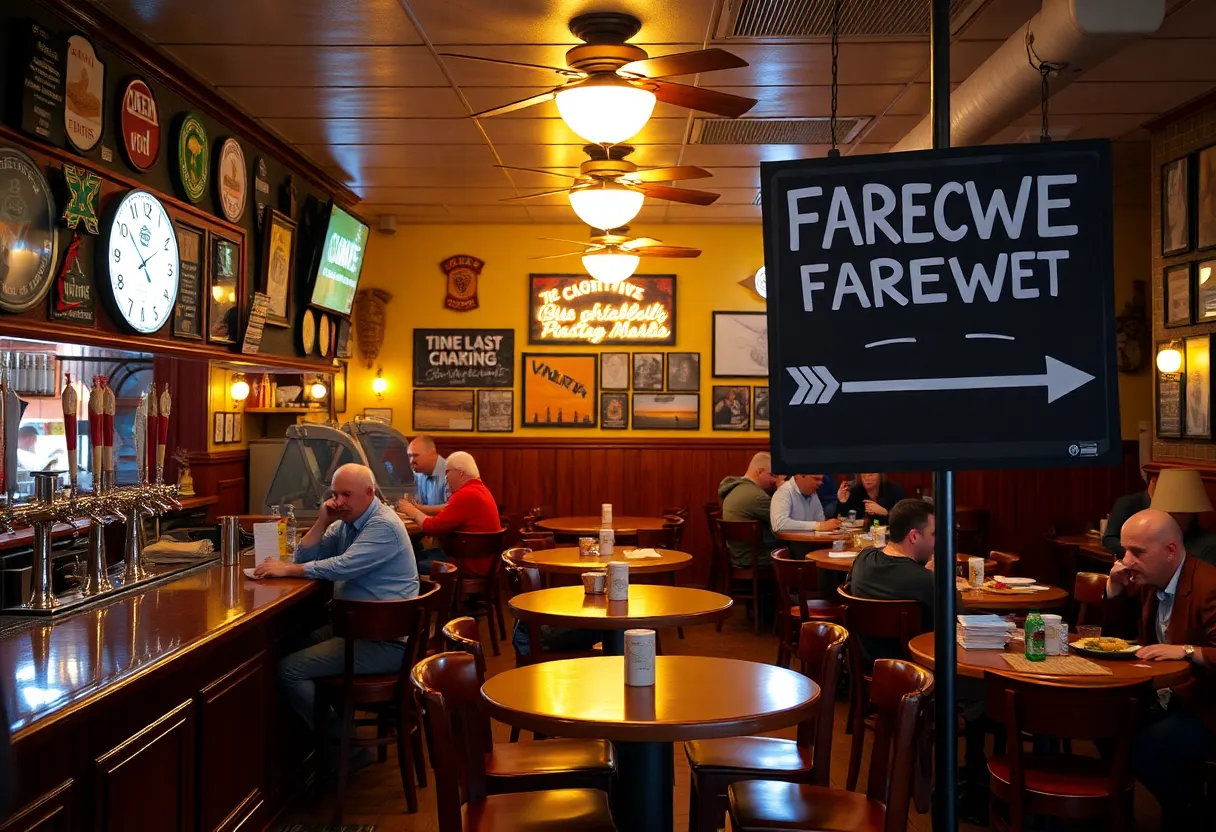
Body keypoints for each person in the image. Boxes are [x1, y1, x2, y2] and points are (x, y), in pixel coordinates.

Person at [255, 463, 419, 735]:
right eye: (334, 494)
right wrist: (322, 522)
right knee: (289, 646)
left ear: (369, 493)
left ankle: (343, 745)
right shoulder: (347, 523)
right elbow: (305, 558)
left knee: (290, 669)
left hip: (386, 641)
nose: (338, 502)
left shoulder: (383, 525)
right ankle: (310, 748)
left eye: (346, 495)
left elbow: (342, 566)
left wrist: (288, 570)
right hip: (358, 629)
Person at [1107, 509, 1216, 830]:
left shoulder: (1208, 586)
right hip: (1162, 697)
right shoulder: (1145, 578)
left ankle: (1191, 817)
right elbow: (1116, 643)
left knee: (1149, 748)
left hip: (1204, 706)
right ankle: (1117, 818)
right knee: (1102, 725)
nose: (1126, 560)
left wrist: (1187, 651)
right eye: (1124, 551)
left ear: (1170, 550)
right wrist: (1113, 592)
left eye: (1137, 552)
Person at [846, 498, 936, 660]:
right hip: (915, 669)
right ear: (914, 536)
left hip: (866, 662)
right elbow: (960, 618)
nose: (936, 541)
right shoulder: (924, 581)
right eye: (933, 534)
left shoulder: (863, 558)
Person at [397, 451, 500, 572]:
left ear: (460, 473)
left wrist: (410, 510)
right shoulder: (479, 490)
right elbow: (447, 512)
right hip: (482, 562)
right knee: (415, 556)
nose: (445, 477)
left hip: (467, 566)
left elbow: (432, 526)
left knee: (407, 562)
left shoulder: (465, 494)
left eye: (447, 472)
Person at [718, 452, 778, 567]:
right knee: (795, 551)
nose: (774, 480)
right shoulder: (756, 496)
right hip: (752, 557)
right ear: (760, 472)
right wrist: (782, 489)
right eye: (772, 475)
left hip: (736, 552)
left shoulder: (735, 488)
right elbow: (785, 518)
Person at [1103, 471, 1156, 554]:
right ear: (1153, 480)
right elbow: (1109, 539)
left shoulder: (1170, 506)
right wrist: (1136, 552)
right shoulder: (1126, 503)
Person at [770, 474, 843, 534]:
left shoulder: (813, 494)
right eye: (816, 479)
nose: (820, 483)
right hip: (790, 546)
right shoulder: (784, 492)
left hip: (810, 544)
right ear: (800, 476)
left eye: (821, 480)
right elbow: (779, 525)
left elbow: (821, 520)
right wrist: (817, 526)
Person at [397, 434, 449, 516]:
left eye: (415, 456)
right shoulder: (419, 473)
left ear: (431, 453)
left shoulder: (450, 472)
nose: (411, 461)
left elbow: (452, 508)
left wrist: (415, 508)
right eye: (409, 456)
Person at [837, 473, 906, 522]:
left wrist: (886, 513)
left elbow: (903, 520)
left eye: (871, 474)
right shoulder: (856, 491)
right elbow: (850, 519)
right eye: (864, 474)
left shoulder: (894, 490)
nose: (867, 478)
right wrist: (843, 502)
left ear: (880, 475)